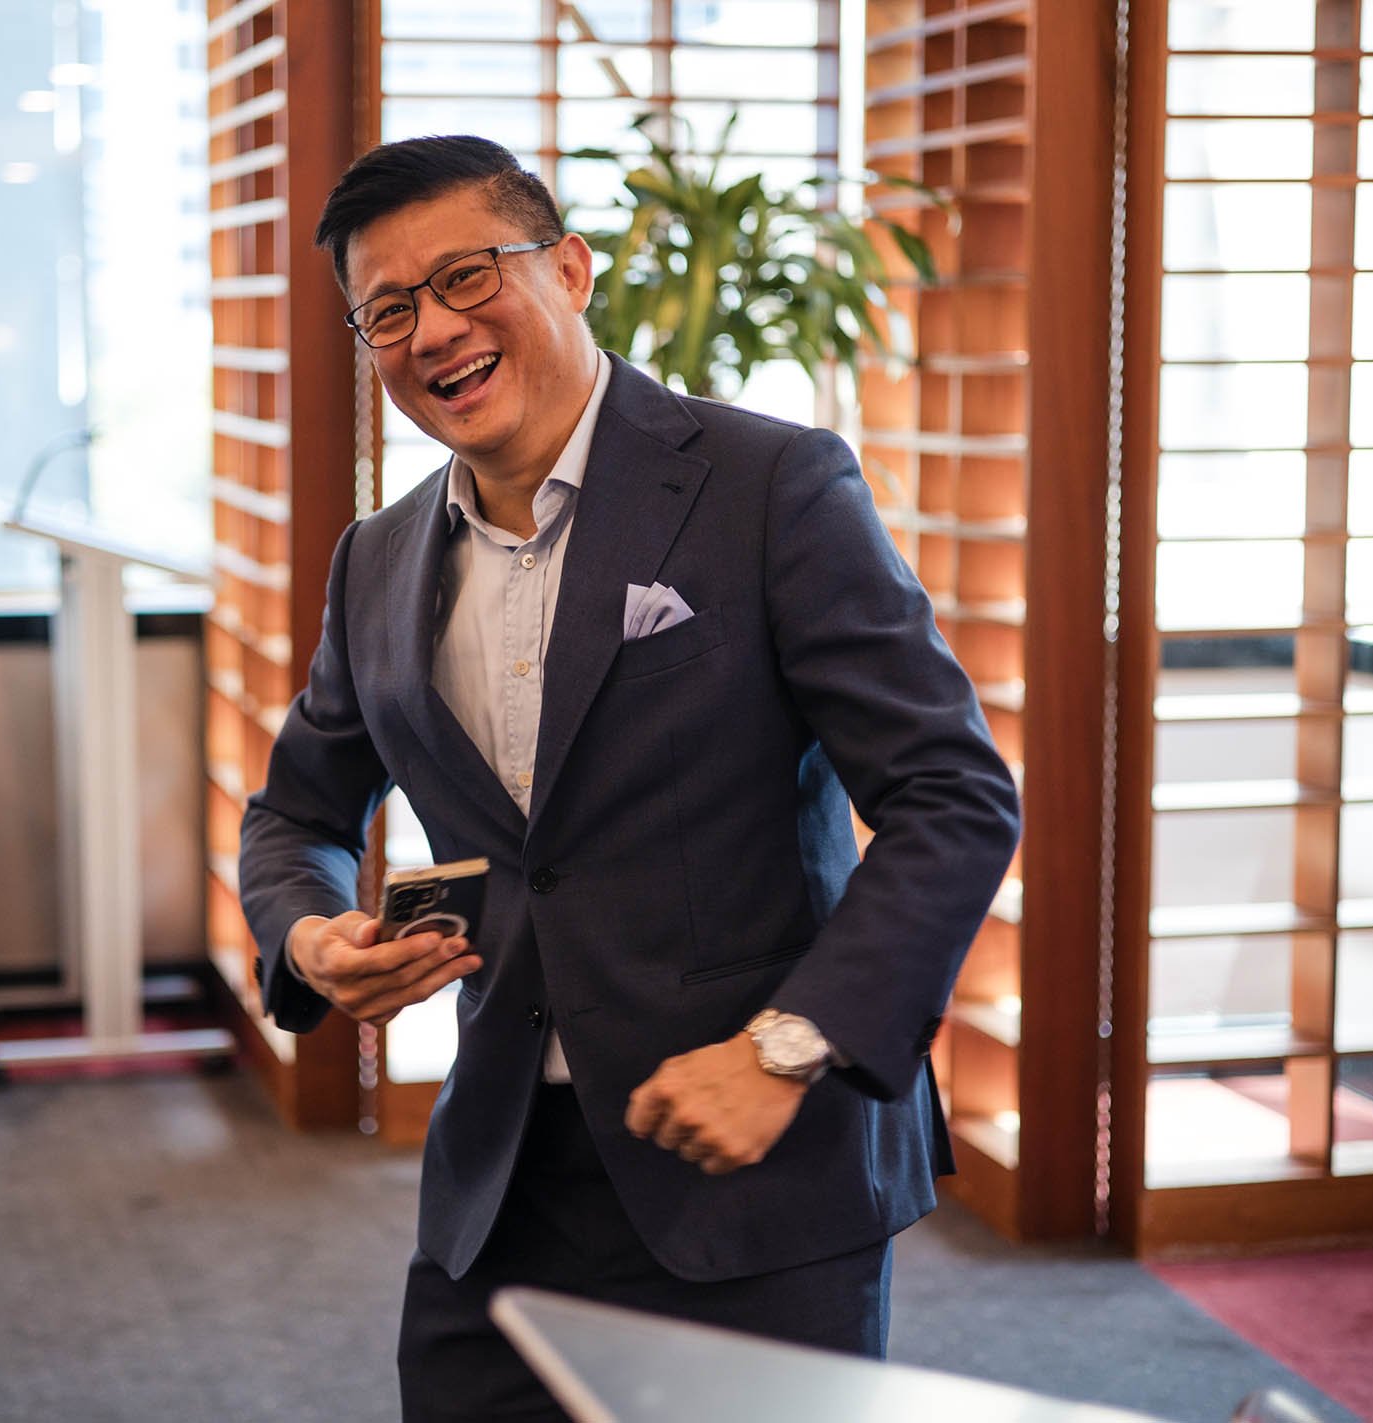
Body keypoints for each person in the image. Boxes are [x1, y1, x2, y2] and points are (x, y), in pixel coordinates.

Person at [238, 134, 1021, 1421]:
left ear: (571, 270)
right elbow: (296, 813)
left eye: (467, 278)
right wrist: (309, 934)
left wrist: (785, 1049)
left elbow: (952, 794)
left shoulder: (770, 485)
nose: (432, 331)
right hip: (499, 1177)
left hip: (754, 1158)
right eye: (387, 311)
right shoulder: (374, 559)